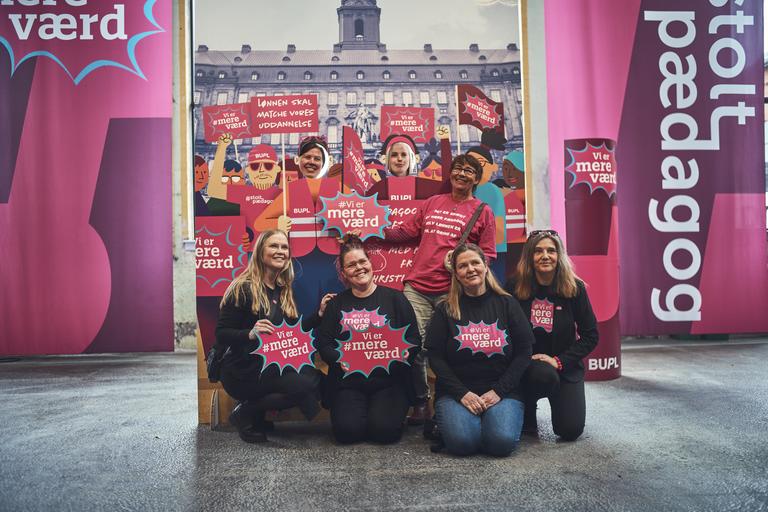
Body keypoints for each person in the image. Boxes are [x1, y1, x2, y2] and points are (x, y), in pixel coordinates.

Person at [381, 153, 496, 427]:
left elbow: (488, 255)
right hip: (417, 287)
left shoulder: (483, 211)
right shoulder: (432, 203)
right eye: (458, 169)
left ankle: (454, 402)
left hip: (453, 292)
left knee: (451, 350)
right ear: (451, 173)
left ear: (476, 179)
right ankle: (421, 403)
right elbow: (404, 232)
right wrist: (367, 226)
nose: (462, 174)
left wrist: (467, 265)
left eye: (469, 171)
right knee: (413, 348)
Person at [214, 229, 333, 443]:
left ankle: (253, 412)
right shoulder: (243, 287)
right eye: (274, 246)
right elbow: (221, 334)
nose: (280, 251)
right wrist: (250, 333)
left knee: (314, 378)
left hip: (268, 366)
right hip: (241, 371)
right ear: (260, 252)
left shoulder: (281, 289)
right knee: (304, 385)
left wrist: (319, 315)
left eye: (284, 247)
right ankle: (246, 412)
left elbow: (288, 334)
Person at [425, 243, 533, 456]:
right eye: (463, 266)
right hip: (458, 393)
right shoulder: (445, 309)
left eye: (475, 263)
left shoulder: (507, 304)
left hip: (502, 391)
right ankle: (454, 423)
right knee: (463, 444)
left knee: (500, 444)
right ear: (456, 273)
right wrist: (462, 394)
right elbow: (435, 358)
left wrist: (499, 392)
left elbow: (524, 352)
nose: (470, 269)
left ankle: (486, 422)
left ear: (485, 266)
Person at [316, 236, 421, 444]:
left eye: (362, 261)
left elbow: (413, 338)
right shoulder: (337, 304)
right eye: (351, 265)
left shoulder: (396, 299)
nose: (359, 268)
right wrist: (340, 360)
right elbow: (324, 343)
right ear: (344, 273)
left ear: (371, 263)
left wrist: (405, 352)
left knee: (385, 433)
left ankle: (382, 416)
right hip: (349, 382)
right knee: (347, 433)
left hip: (389, 380)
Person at [506, 229, 599, 441]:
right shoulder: (514, 286)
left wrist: (558, 361)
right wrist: (520, 359)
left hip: (564, 366)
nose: (545, 256)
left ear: (559, 255)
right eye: (538, 251)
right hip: (526, 367)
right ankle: (527, 407)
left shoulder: (575, 288)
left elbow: (590, 336)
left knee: (570, 430)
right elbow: (505, 329)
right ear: (530, 256)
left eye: (551, 250)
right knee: (541, 375)